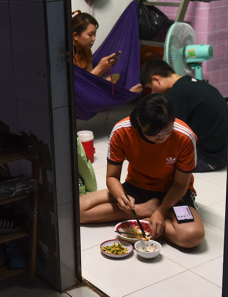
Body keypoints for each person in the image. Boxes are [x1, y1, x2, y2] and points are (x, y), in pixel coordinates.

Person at [79, 93, 205, 249]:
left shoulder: (185, 136)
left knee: (192, 236)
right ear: (140, 123)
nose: (161, 139)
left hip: (173, 194)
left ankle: (147, 216)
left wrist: (161, 210)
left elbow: (180, 185)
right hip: (135, 188)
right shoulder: (122, 131)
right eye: (154, 135)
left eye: (167, 132)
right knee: (77, 209)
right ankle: (144, 210)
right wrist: (121, 197)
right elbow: (112, 177)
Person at [140, 59, 228, 172]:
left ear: (156, 79)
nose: (153, 91)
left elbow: (171, 132)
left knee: (149, 157)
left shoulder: (176, 94)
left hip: (206, 158)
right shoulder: (193, 84)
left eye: (151, 87)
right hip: (222, 154)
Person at [72, 10, 143, 93]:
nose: (94, 39)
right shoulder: (69, 55)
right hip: (77, 91)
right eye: (90, 35)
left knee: (113, 78)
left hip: (87, 86)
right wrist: (100, 67)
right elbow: (81, 85)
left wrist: (104, 68)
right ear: (75, 36)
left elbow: (90, 77)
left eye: (95, 35)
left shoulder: (86, 51)